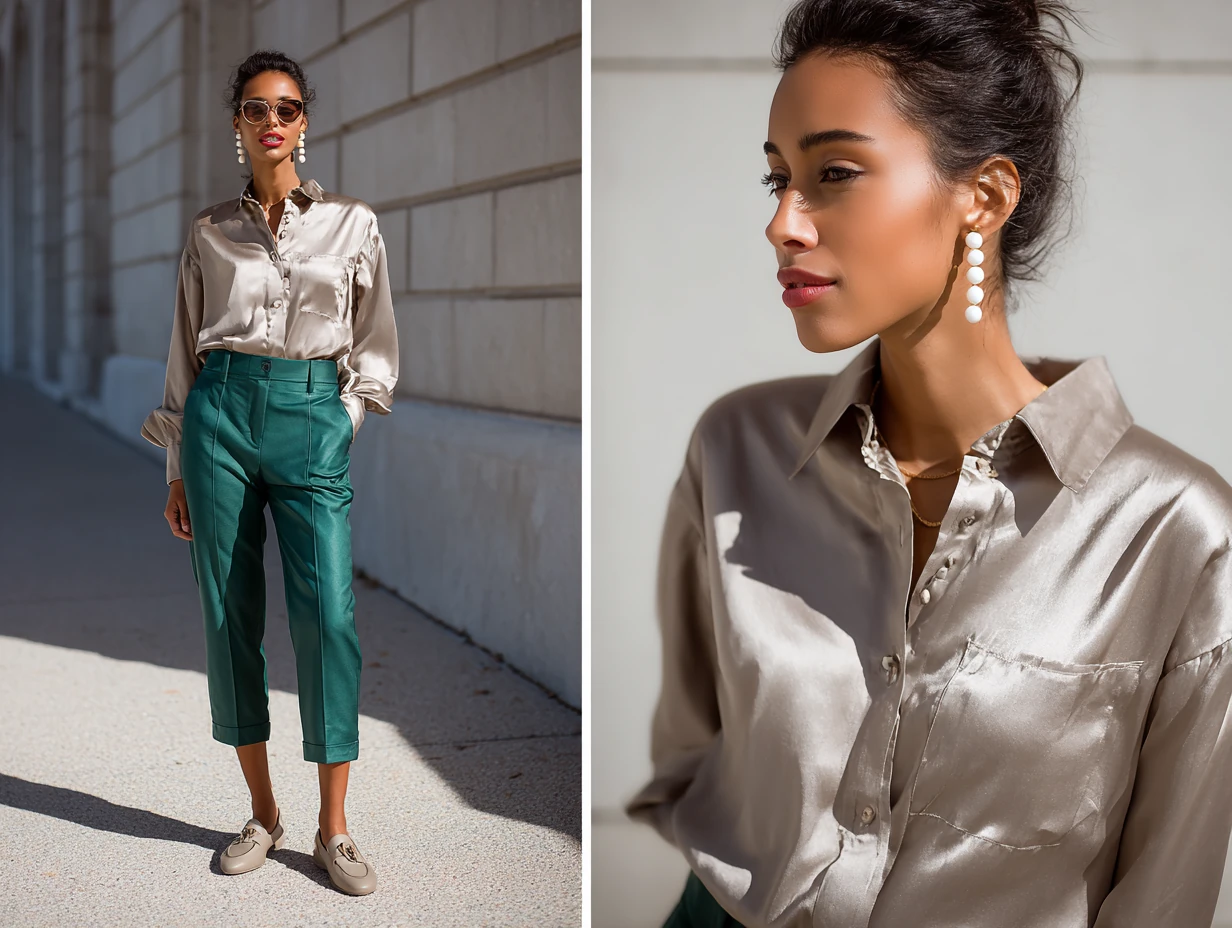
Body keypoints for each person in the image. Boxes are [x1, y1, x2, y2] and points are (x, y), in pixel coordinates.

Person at [624, 1, 1232, 926]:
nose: (783, 223)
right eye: (778, 178)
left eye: (834, 173)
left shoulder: (1179, 533)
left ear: (983, 196)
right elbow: (693, 760)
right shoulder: (738, 451)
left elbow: (1164, 900)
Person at [140, 49, 398, 897]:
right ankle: (262, 813)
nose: (272, 120)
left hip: (309, 413)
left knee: (329, 615)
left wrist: (339, 421)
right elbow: (183, 353)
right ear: (239, 125)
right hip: (218, 414)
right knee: (227, 616)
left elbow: (375, 348)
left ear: (304, 121)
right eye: (257, 108)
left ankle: (335, 828)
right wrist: (177, 465)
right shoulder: (209, 230)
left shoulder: (353, 224)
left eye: (286, 107)